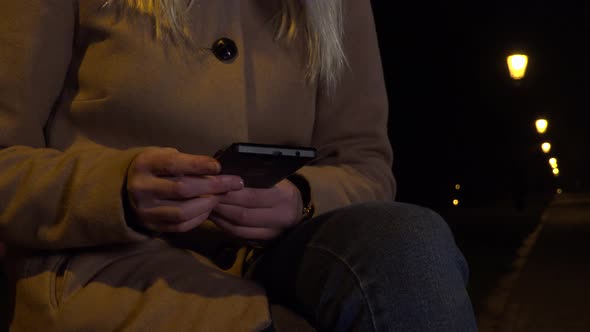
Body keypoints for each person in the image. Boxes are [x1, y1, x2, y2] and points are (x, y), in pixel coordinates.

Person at [0, 0, 476, 331]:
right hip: (110, 265)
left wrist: (302, 198)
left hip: (279, 254)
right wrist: (116, 191)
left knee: (410, 242)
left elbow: (365, 164)